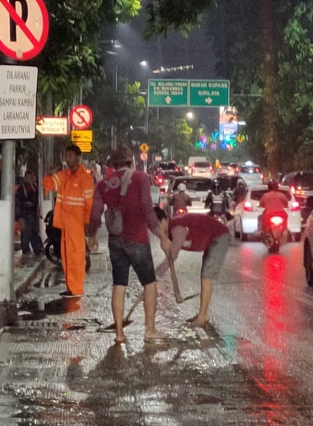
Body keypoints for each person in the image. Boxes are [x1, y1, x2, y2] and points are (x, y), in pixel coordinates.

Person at [87, 145, 171, 344]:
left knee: (119, 284)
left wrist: (91, 235)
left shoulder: (103, 184)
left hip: (115, 240)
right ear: (131, 161)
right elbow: (147, 209)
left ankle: (119, 333)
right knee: (149, 283)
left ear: (113, 165)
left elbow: (95, 213)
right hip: (137, 239)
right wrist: (161, 235)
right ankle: (149, 330)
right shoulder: (141, 178)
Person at [154, 207, 231, 328]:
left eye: (156, 226)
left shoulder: (177, 227)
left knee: (207, 276)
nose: (155, 231)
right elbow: (169, 252)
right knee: (204, 275)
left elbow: (173, 254)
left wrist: (156, 274)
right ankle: (203, 315)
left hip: (219, 237)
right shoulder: (169, 232)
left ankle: (202, 317)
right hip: (210, 240)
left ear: (163, 220)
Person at [51, 144, 95, 298]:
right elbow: (49, 184)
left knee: (76, 257)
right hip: (65, 224)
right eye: (66, 156)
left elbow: (89, 203)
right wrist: (50, 173)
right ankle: (71, 287)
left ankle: (76, 289)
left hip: (77, 225)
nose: (67, 159)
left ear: (78, 158)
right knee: (67, 258)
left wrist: (87, 224)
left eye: (70, 156)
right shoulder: (64, 175)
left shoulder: (85, 178)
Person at [15, 170, 45, 256]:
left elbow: (36, 200)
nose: (29, 179)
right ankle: (26, 251)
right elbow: (18, 202)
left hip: (33, 214)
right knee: (26, 233)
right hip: (25, 214)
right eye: (28, 177)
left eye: (31, 177)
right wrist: (20, 216)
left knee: (35, 232)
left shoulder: (34, 187)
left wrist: (38, 210)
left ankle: (38, 250)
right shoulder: (22, 188)